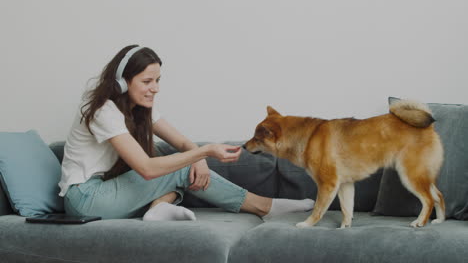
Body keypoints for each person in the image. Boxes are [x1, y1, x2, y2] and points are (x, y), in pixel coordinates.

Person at [58, 44, 314, 221]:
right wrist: (203, 152)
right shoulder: (105, 110)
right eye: (147, 82)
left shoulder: (139, 108)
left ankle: (158, 210)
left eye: (158, 80)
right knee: (175, 168)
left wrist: (198, 158)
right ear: (122, 83)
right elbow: (147, 168)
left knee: (176, 163)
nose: (155, 88)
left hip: (105, 191)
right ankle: (264, 206)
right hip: (85, 198)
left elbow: (180, 141)